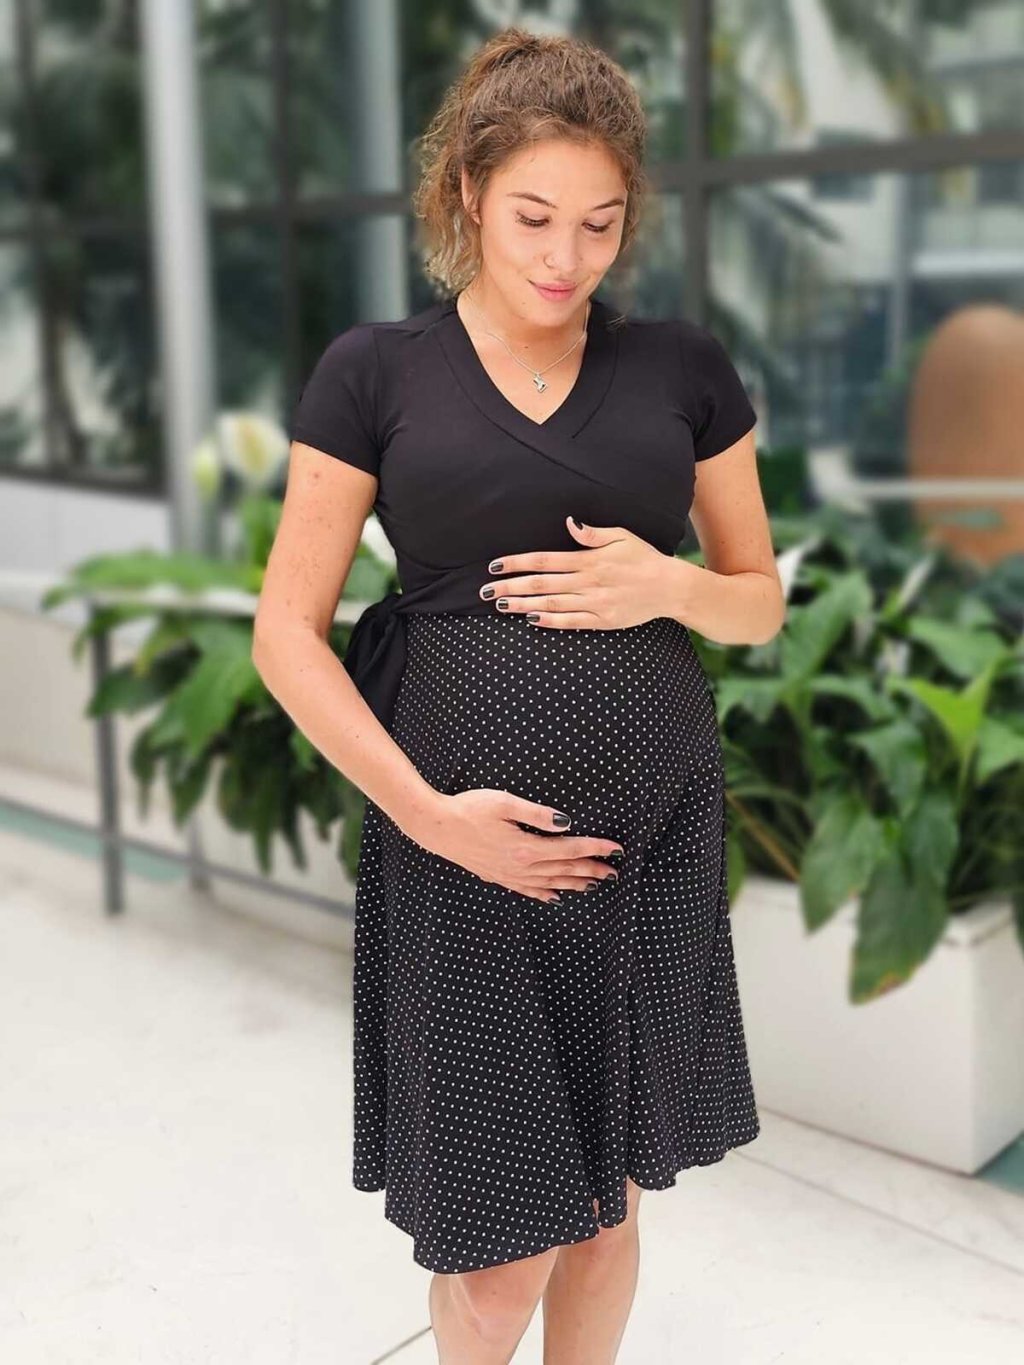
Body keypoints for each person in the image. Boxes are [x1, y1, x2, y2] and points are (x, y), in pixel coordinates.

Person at [254, 24, 784, 1365]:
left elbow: (758, 599)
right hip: (461, 852)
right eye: (534, 217)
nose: (564, 257)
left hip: (648, 842)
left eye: (600, 225)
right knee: (496, 1262)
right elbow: (285, 636)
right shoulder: (375, 371)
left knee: (604, 1215)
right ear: (468, 195)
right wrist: (431, 816)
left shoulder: (682, 368)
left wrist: (668, 585)